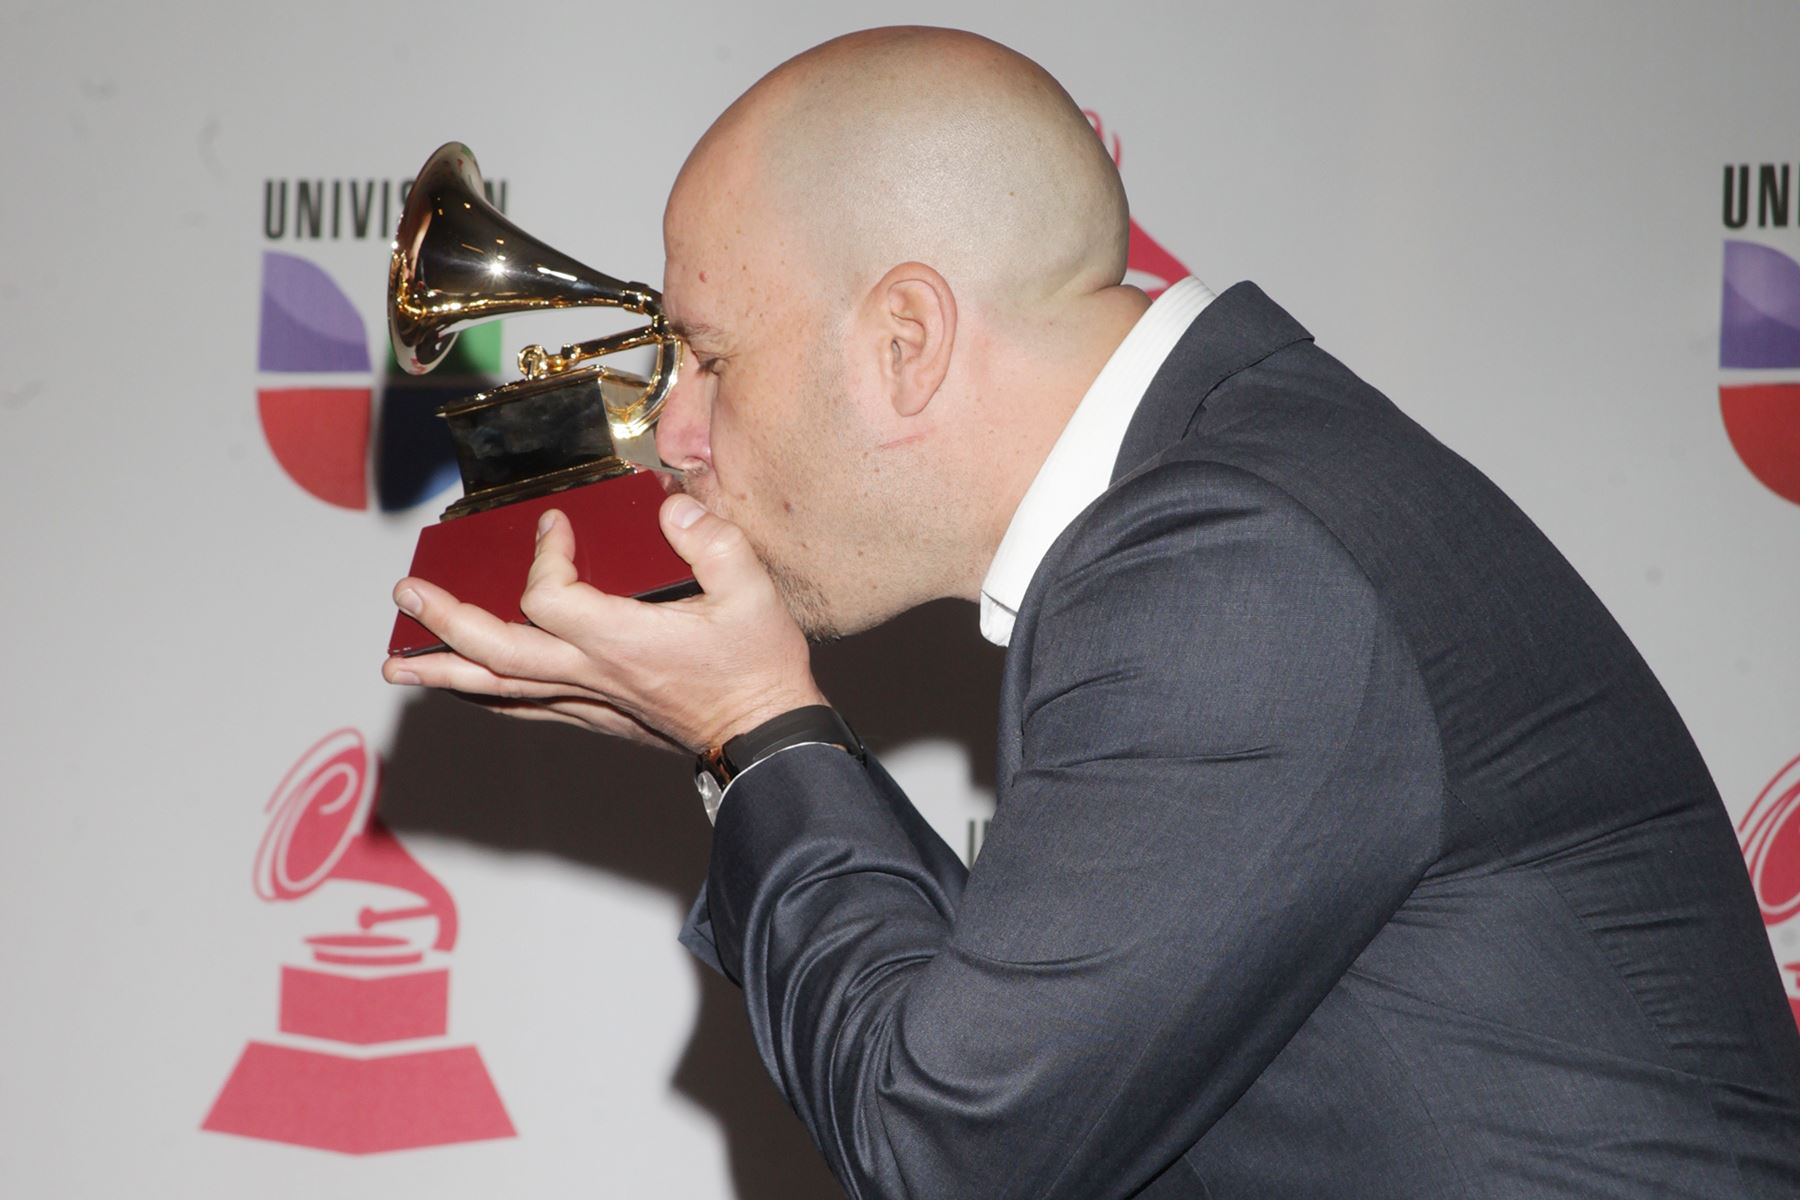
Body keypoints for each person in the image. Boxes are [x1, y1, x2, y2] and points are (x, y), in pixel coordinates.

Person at [382, 26, 1800, 1199]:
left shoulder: (1224, 560)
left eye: (707, 356)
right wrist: (740, 742)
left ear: (907, 341)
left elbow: (945, 1150)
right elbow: (1036, 1068)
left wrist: (756, 734)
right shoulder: (1240, 496)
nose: (673, 430)